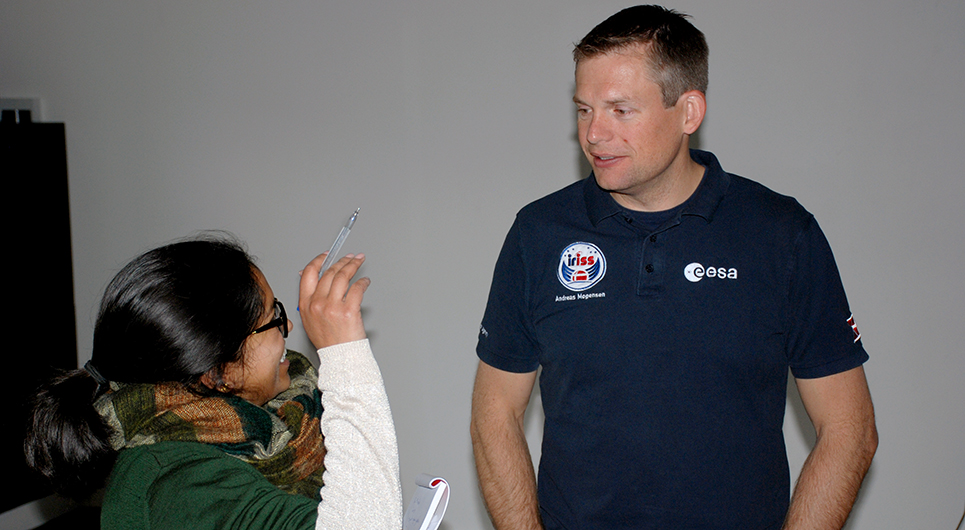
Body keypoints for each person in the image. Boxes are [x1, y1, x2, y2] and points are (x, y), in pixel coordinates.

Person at [470, 5, 877, 529]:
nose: (593, 134)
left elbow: (850, 429)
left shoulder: (781, 235)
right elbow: (494, 412)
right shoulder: (538, 234)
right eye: (583, 110)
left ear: (689, 112)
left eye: (620, 110)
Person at [25, 235, 402, 529]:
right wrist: (346, 358)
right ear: (218, 372)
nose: (288, 327)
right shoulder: (177, 483)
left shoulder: (263, 430)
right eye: (273, 318)